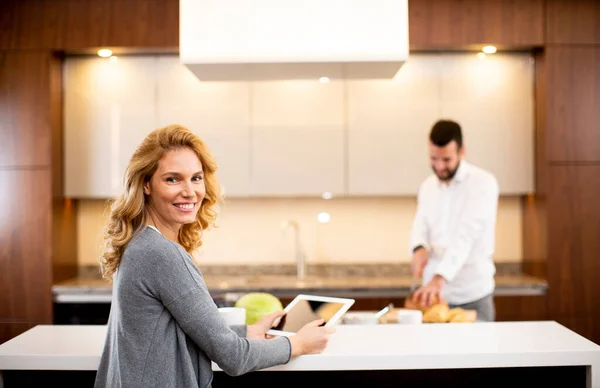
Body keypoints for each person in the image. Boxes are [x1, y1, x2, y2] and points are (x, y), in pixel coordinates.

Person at [94, 124, 335, 388]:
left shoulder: (140, 242)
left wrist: (248, 332)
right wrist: (296, 344)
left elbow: (173, 330)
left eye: (196, 178)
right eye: (173, 179)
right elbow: (233, 357)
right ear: (146, 184)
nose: (190, 191)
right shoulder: (161, 253)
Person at [409, 119, 499, 322]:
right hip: (434, 298)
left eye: (446, 160)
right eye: (434, 158)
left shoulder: (483, 184)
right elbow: (420, 224)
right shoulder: (428, 186)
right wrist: (418, 248)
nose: (439, 166)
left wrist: (439, 279)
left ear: (462, 151)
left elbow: (466, 235)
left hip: (472, 294)